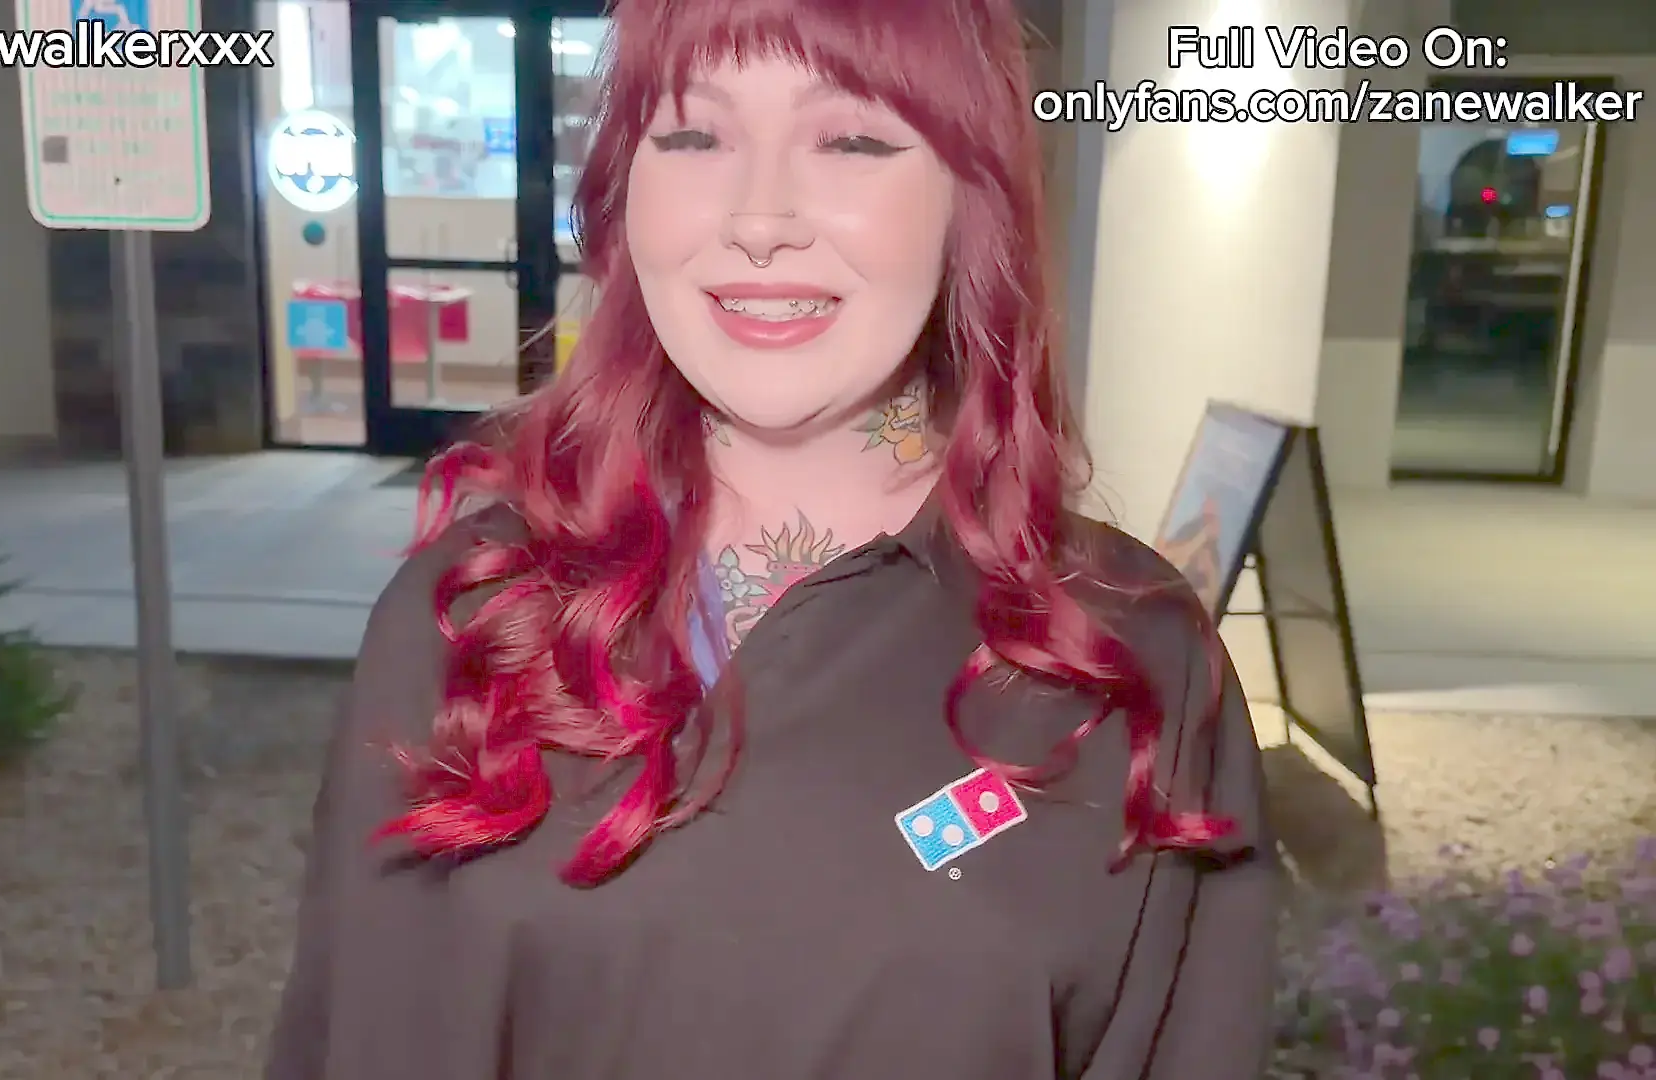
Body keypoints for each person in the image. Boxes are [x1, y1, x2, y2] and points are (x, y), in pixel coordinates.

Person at [265, 0, 1281, 1075]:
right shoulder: (471, 613)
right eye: (694, 135)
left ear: (968, 197)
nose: (759, 220)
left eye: (851, 141)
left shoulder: (1129, 662)